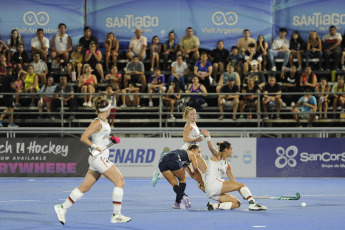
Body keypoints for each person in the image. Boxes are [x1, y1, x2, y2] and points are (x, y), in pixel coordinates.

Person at [54, 97, 131, 224]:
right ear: (107, 109)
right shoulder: (97, 122)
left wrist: (111, 140)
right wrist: (94, 146)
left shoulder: (104, 122)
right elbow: (84, 137)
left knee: (85, 187)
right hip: (99, 159)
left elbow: (101, 138)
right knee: (120, 182)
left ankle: (62, 207)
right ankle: (116, 215)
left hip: (98, 159)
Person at [201, 129, 267, 211]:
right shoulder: (217, 156)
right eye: (231, 149)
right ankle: (252, 204)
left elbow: (234, 182)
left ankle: (214, 206)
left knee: (237, 203)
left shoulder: (227, 165)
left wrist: (243, 193)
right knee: (242, 185)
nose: (232, 152)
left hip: (212, 191)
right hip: (212, 184)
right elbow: (211, 148)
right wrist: (208, 136)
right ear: (225, 150)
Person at [151, 106, 207, 187]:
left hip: (194, 150)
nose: (194, 116)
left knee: (202, 169)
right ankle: (205, 184)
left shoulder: (194, 124)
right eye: (191, 114)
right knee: (179, 170)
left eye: (194, 114)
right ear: (187, 116)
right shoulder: (188, 125)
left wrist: (201, 137)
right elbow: (185, 138)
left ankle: (158, 175)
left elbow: (195, 138)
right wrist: (197, 138)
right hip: (187, 150)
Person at [157, 145, 204, 209]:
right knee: (182, 180)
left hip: (162, 162)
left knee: (175, 184)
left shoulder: (185, 160)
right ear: (192, 150)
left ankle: (177, 203)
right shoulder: (192, 154)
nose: (199, 155)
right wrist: (202, 183)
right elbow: (196, 169)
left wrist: (199, 182)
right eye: (198, 152)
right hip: (174, 158)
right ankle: (183, 197)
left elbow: (191, 174)